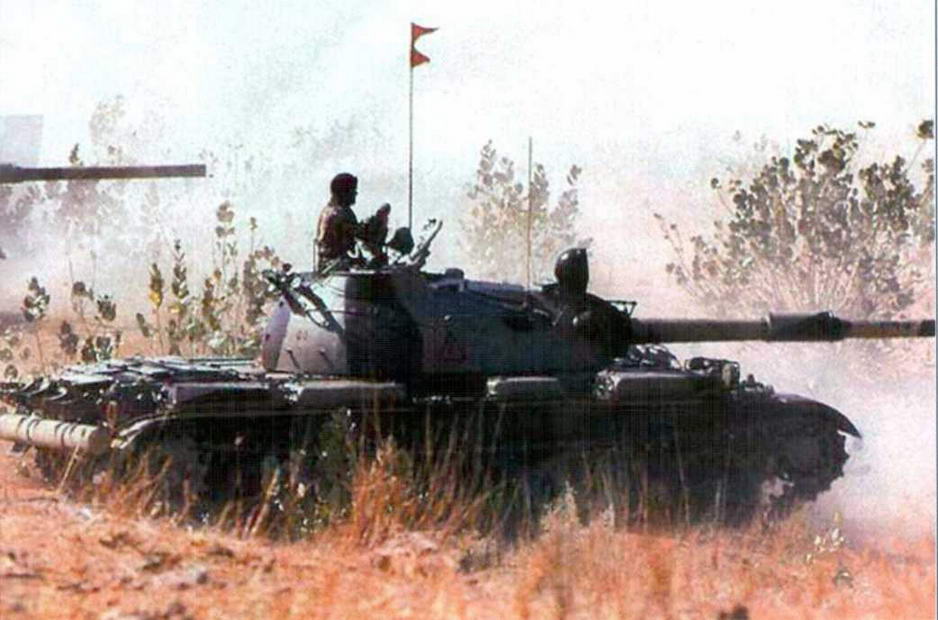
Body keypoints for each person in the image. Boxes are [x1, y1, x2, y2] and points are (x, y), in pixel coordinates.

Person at [316, 172, 360, 266]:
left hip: (325, 265)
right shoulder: (343, 214)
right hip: (339, 265)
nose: (356, 193)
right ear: (344, 192)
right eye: (353, 190)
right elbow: (357, 239)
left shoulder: (326, 211)